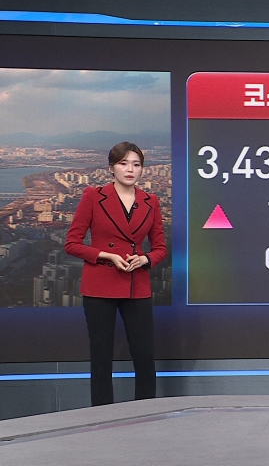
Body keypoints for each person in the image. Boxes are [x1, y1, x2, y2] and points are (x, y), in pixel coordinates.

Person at [65, 142, 167, 406]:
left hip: (137, 284)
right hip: (100, 286)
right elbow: (72, 244)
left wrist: (144, 259)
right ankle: (102, 416)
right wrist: (107, 255)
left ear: (142, 169)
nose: (130, 170)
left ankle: (146, 411)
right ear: (111, 168)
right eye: (123, 164)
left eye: (136, 164)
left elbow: (160, 249)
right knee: (101, 356)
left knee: (144, 355)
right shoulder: (93, 196)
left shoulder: (151, 201)